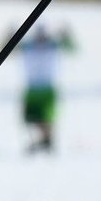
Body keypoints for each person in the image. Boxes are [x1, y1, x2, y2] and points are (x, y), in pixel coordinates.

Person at [18, 25, 75, 153]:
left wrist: (66, 35)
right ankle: (45, 140)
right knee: (32, 118)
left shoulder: (53, 46)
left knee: (47, 117)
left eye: (43, 35)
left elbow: (72, 48)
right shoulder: (28, 46)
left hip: (47, 88)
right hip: (32, 87)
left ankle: (47, 141)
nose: (41, 38)